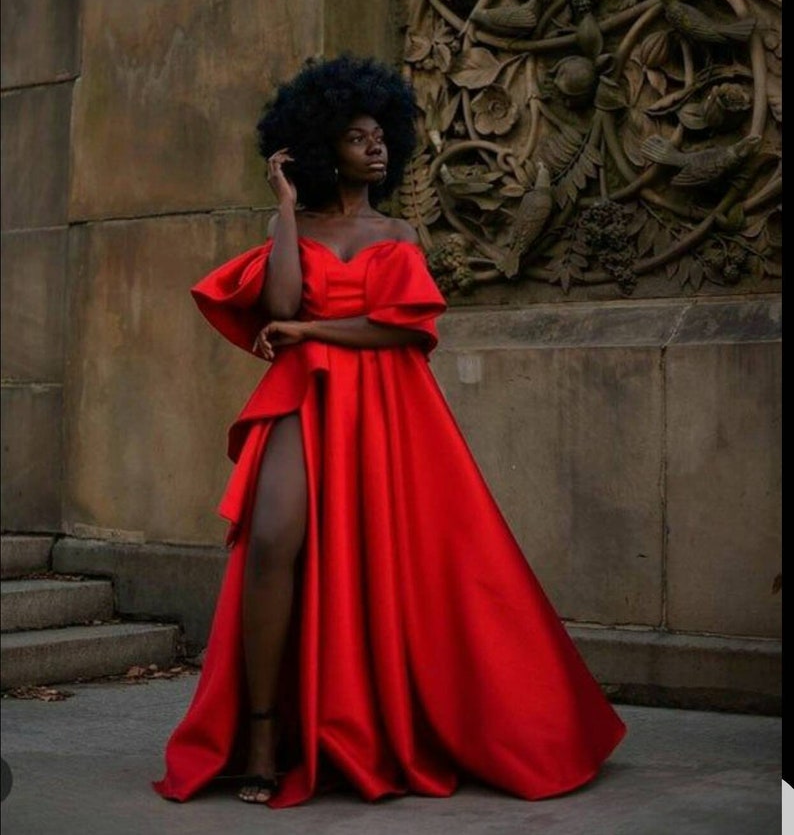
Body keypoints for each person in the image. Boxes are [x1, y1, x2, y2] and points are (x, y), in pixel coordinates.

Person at [153, 54, 626, 810]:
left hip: (385, 405)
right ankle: (266, 732)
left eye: (382, 135)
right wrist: (281, 208)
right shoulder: (297, 225)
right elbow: (275, 302)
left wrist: (313, 328)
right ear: (318, 147)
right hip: (301, 398)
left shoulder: (397, 229)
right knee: (272, 537)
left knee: (395, 558)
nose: (375, 146)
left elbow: (403, 333)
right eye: (355, 136)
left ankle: (368, 722)